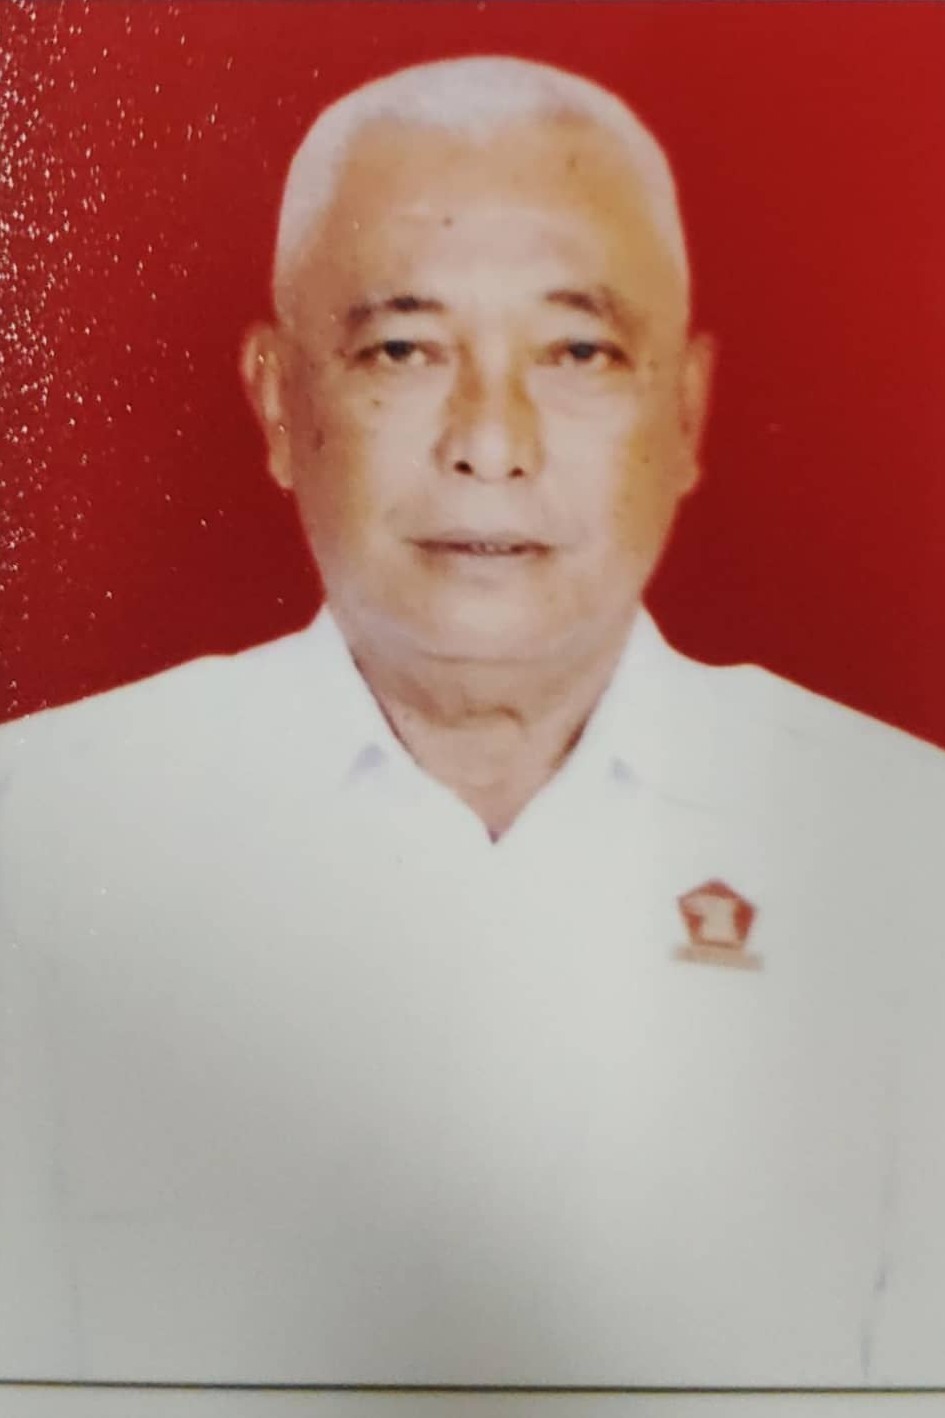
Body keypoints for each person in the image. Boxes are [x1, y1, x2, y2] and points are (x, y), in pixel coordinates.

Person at [1, 55, 943, 1388]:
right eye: (402, 350)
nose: (490, 442)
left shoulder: (906, 851)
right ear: (278, 402)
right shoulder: (40, 839)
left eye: (576, 352)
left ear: (683, 412)